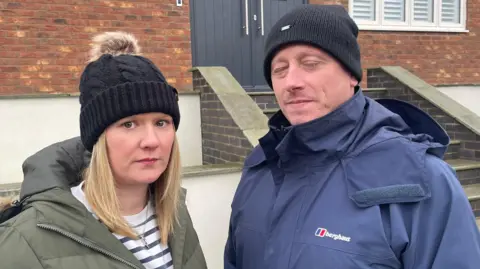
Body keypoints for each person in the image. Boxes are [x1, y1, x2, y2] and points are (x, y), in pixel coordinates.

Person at [224, 4, 480, 269]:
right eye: (279, 69)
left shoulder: (421, 179)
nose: (291, 82)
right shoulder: (259, 170)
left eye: (310, 64)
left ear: (351, 74)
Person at [0, 31, 207, 269]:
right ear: (96, 138)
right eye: (128, 124)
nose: (151, 141)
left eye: (161, 122)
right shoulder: (24, 241)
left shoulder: (177, 215)